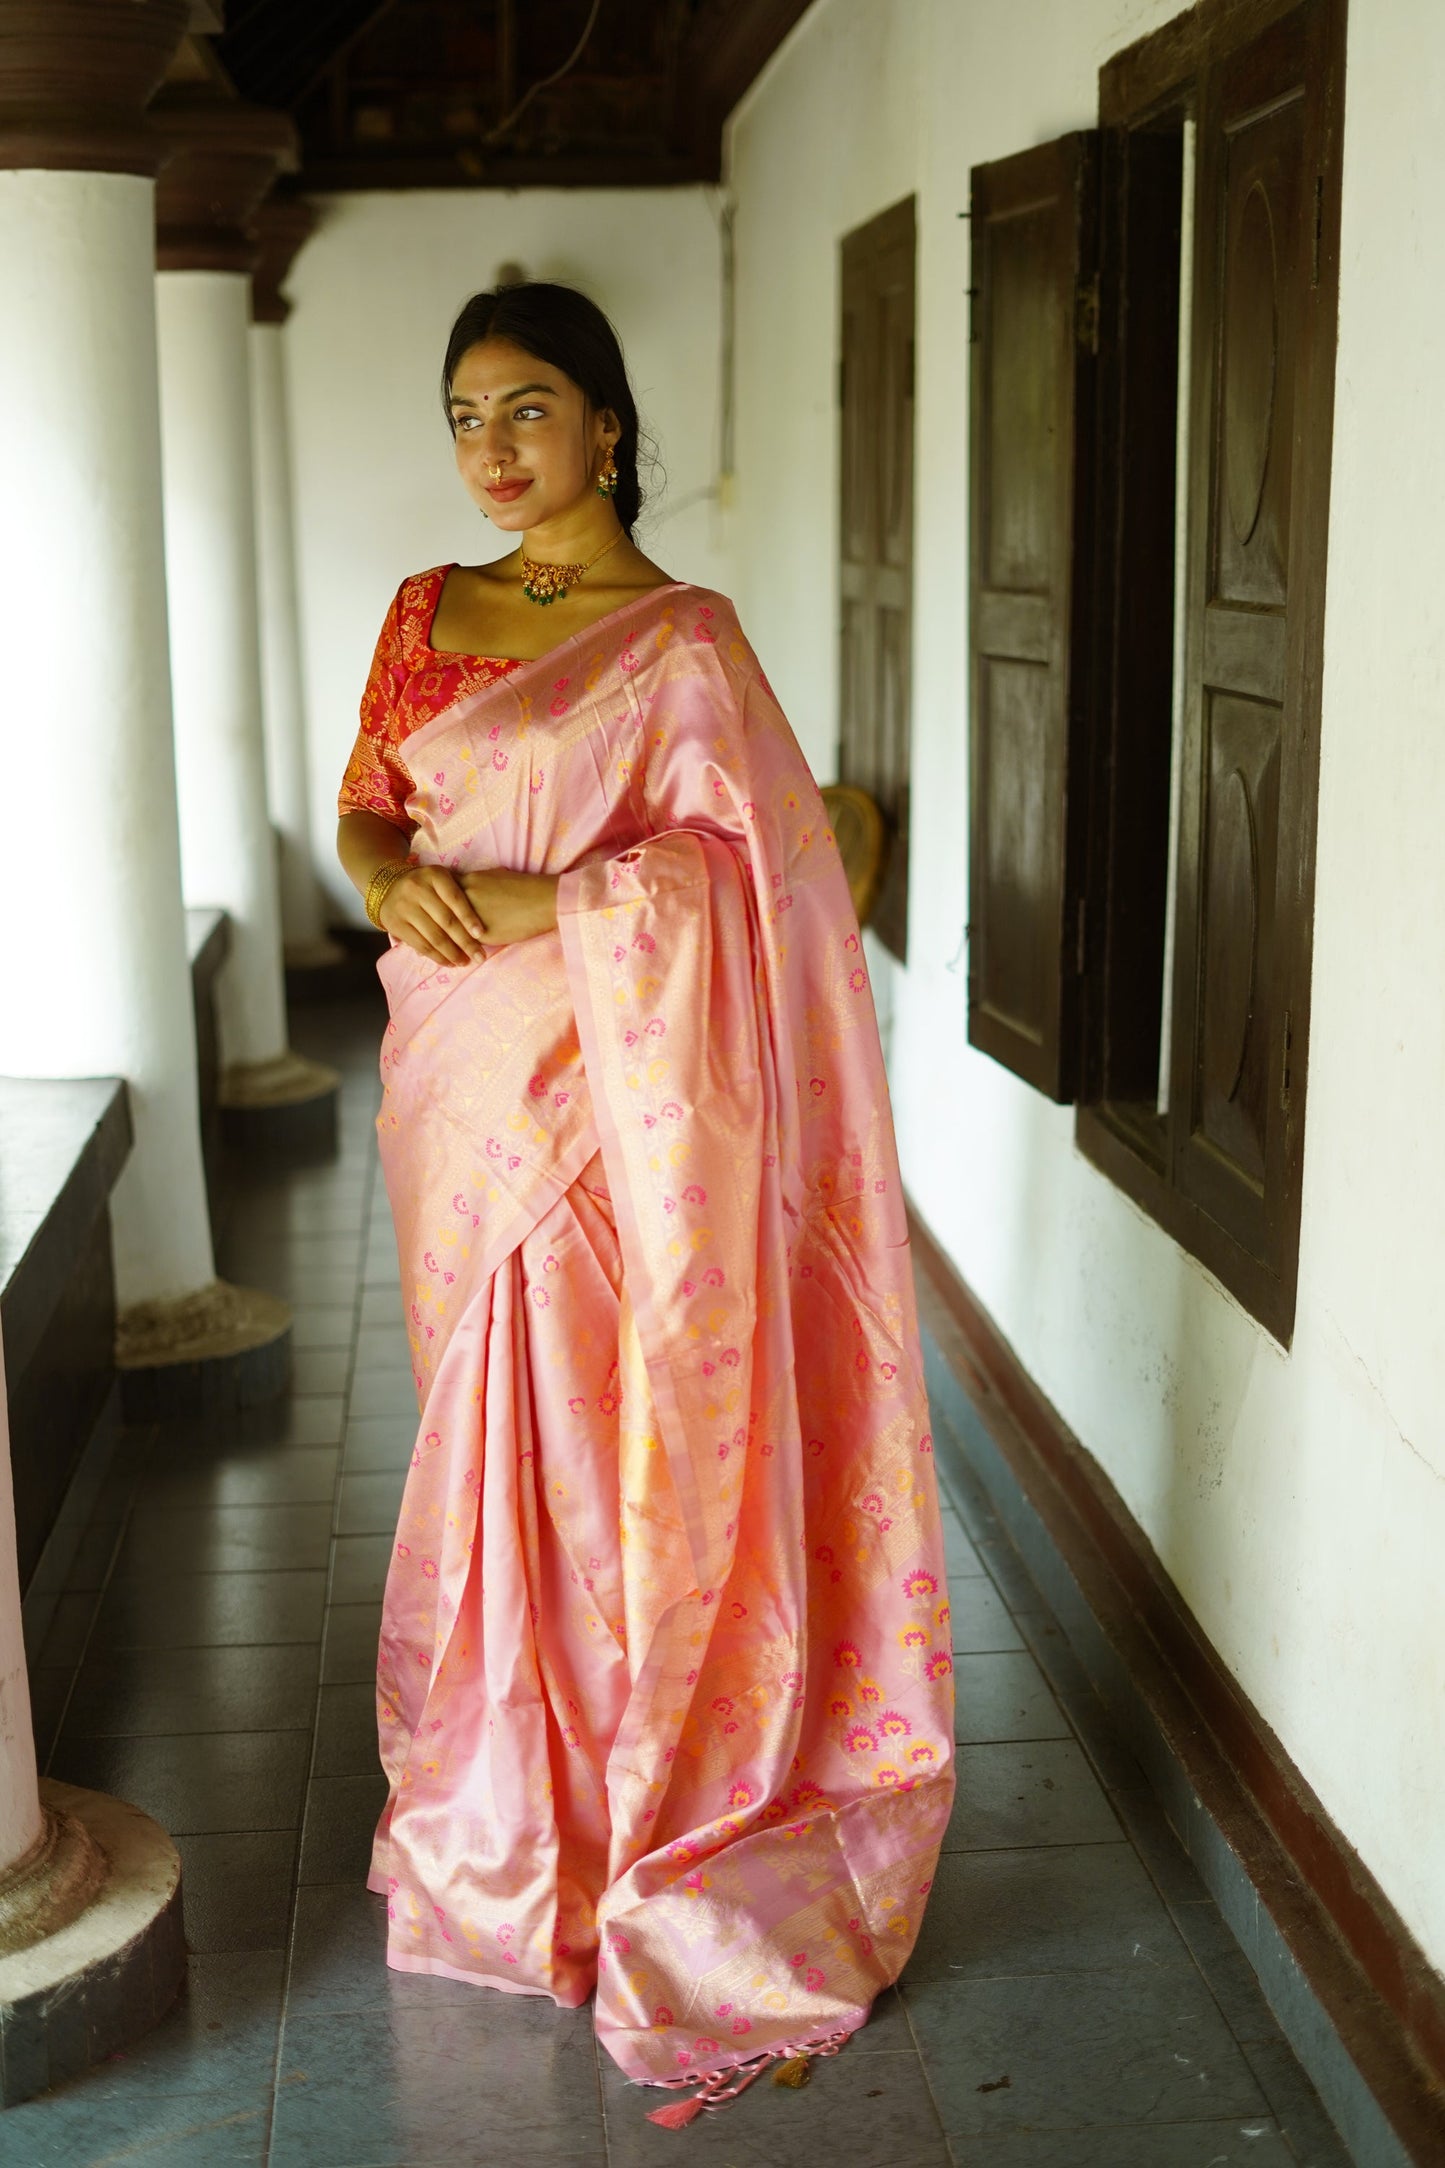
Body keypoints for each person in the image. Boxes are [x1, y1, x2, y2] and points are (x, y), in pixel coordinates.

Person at [336, 281, 955, 2124]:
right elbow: (373, 800)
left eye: (525, 409)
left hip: (620, 1106)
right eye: (461, 418)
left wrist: (546, 908)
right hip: (465, 1090)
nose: (491, 450)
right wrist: (390, 885)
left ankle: (647, 1805)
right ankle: (512, 1818)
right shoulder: (420, 614)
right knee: (491, 1445)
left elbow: (747, 875)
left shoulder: (682, 642)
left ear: (608, 425)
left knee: (619, 1456)